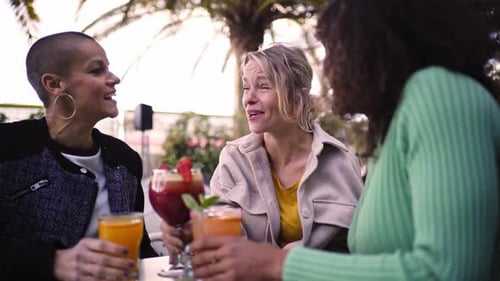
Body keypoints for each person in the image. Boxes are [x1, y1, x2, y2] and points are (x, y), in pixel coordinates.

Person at [188, 0, 500, 280]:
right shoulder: (388, 132)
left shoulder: (438, 94)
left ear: (377, 42)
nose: (327, 67)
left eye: (337, 48)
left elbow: (447, 270)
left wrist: (279, 265)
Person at [160, 44, 363, 259]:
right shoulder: (233, 159)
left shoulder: (340, 162)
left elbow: (357, 251)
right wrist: (190, 232)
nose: (249, 99)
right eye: (246, 88)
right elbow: (219, 235)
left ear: (297, 98)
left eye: (263, 87)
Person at [0, 31, 157, 281]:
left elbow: (140, 250)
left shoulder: (125, 160)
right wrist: (53, 263)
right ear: (54, 84)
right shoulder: (8, 148)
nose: (114, 79)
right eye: (96, 70)